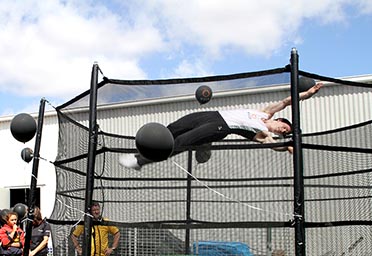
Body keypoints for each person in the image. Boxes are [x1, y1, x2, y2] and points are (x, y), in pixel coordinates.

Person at [120, 82, 323, 170]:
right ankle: (145, 148)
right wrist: (308, 94)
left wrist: (286, 146)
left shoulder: (261, 133)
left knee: (180, 142)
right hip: (211, 115)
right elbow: (288, 100)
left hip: (220, 127)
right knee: (173, 128)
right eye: (283, 129)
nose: (281, 131)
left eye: (284, 133)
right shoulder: (266, 112)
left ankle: (140, 161)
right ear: (279, 120)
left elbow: (272, 145)